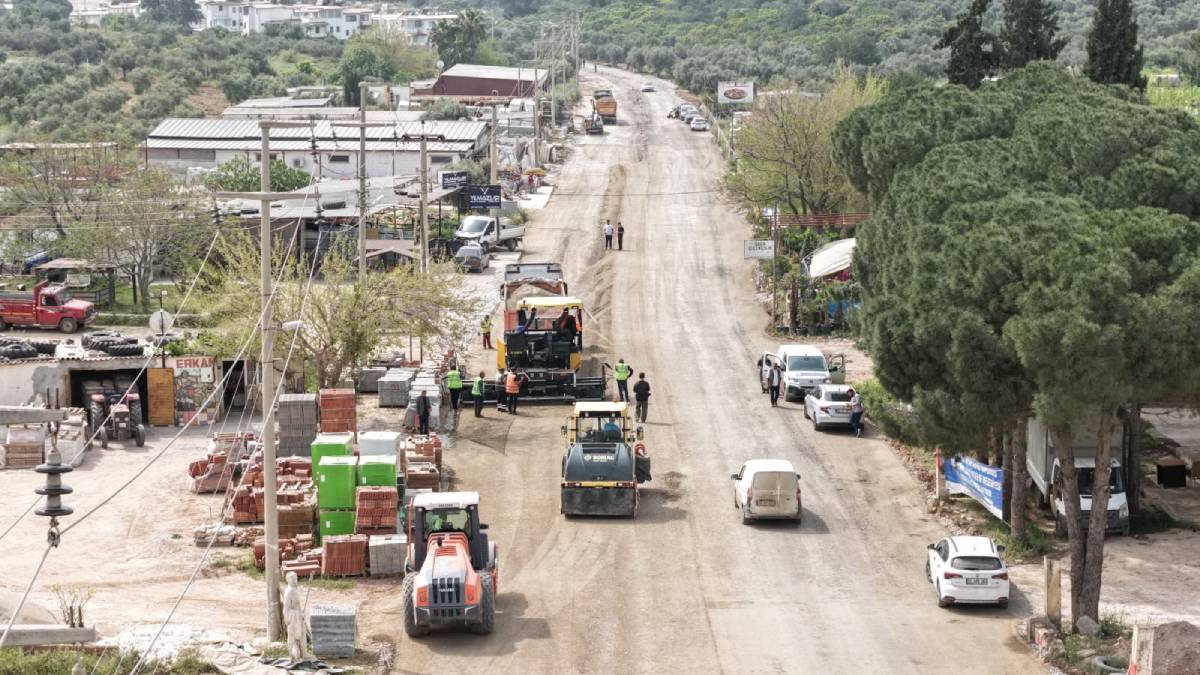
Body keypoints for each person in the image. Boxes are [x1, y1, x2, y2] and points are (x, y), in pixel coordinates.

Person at [283, 571, 307, 661]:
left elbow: (297, 604)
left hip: (298, 616)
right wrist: (296, 614)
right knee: (291, 636)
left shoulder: (294, 589)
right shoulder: (289, 591)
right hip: (293, 617)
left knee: (303, 633)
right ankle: (290, 655)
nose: (295, 580)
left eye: (296, 578)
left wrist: (301, 613)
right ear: (288, 580)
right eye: (293, 579)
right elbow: (286, 608)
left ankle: (304, 654)